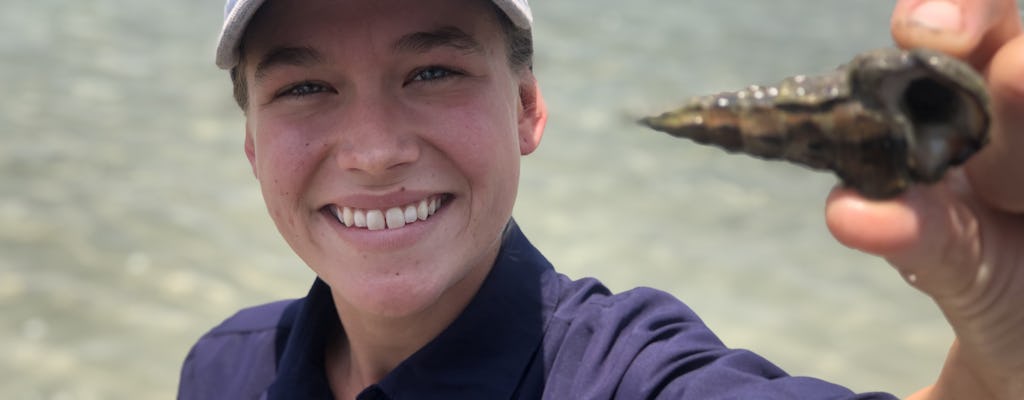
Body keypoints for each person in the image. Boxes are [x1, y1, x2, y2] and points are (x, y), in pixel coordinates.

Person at [178, 0, 1024, 398]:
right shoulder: (223, 369)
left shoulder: (623, 375)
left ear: (526, 109)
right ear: (253, 141)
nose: (373, 152)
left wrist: (998, 354)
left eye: (432, 71)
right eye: (305, 87)